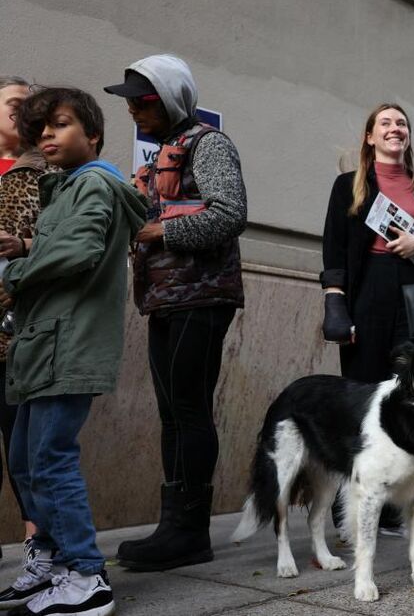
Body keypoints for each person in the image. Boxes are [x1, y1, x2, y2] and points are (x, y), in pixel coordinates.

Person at [0, 86, 147, 616]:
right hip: (44, 345)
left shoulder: (93, 184)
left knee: (49, 459)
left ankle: (87, 577)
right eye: (40, 128)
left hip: (69, 344)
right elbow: (68, 242)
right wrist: (29, 245)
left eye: (59, 125)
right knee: (24, 459)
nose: (46, 135)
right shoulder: (65, 189)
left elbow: (83, 248)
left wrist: (13, 269)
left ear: (93, 135)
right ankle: (54, 562)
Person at [103, 54, 248, 571]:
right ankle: (174, 526)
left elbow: (230, 214)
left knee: (188, 409)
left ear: (169, 99)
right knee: (172, 413)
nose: (133, 112)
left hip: (201, 298)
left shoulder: (208, 145)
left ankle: (189, 531)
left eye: (142, 102)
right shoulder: (164, 151)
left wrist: (158, 229)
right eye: (129, 103)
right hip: (167, 298)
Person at [321, 102, 414, 534]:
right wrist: (335, 303)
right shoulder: (349, 185)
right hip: (366, 293)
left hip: (410, 294)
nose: (395, 128)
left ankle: (400, 509)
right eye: (385, 123)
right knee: (360, 396)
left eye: (402, 123)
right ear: (370, 137)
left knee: (407, 397)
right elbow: (334, 248)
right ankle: (353, 508)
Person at [0, 76, 45, 562]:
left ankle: (39, 544)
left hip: (19, 330)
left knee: (25, 447)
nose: (24, 112)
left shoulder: (42, 172)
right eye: (14, 103)